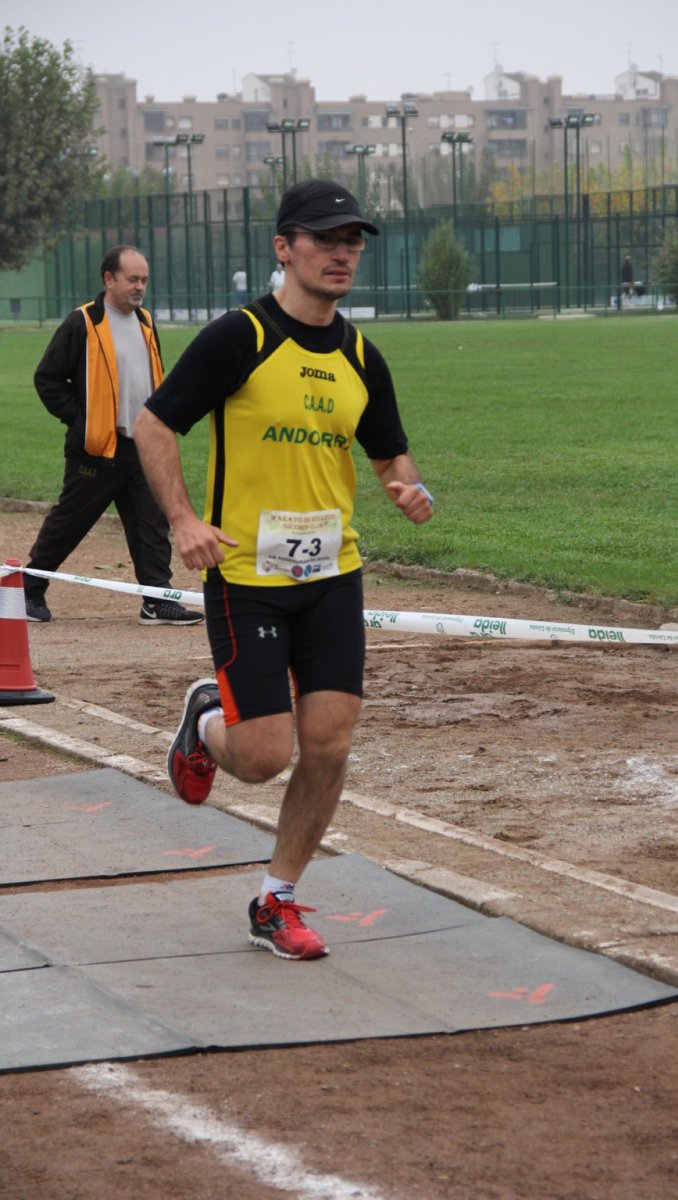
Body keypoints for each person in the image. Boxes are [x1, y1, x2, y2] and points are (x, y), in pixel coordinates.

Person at [134, 179, 434, 961]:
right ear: (284, 247)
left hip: (333, 575)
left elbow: (390, 453)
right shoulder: (240, 337)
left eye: (352, 241)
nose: (342, 253)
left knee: (328, 743)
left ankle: (277, 898)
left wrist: (410, 488)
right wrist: (184, 521)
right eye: (325, 239)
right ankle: (206, 722)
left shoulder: (362, 356)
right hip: (246, 579)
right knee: (264, 756)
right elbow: (153, 424)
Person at [24, 245, 202, 627]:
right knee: (70, 522)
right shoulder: (83, 322)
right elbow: (47, 379)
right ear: (109, 279)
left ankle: (157, 600)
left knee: (151, 524)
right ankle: (29, 589)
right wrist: (82, 420)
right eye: (132, 279)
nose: (140, 287)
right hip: (97, 449)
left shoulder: (146, 321)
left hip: (143, 445)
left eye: (144, 280)